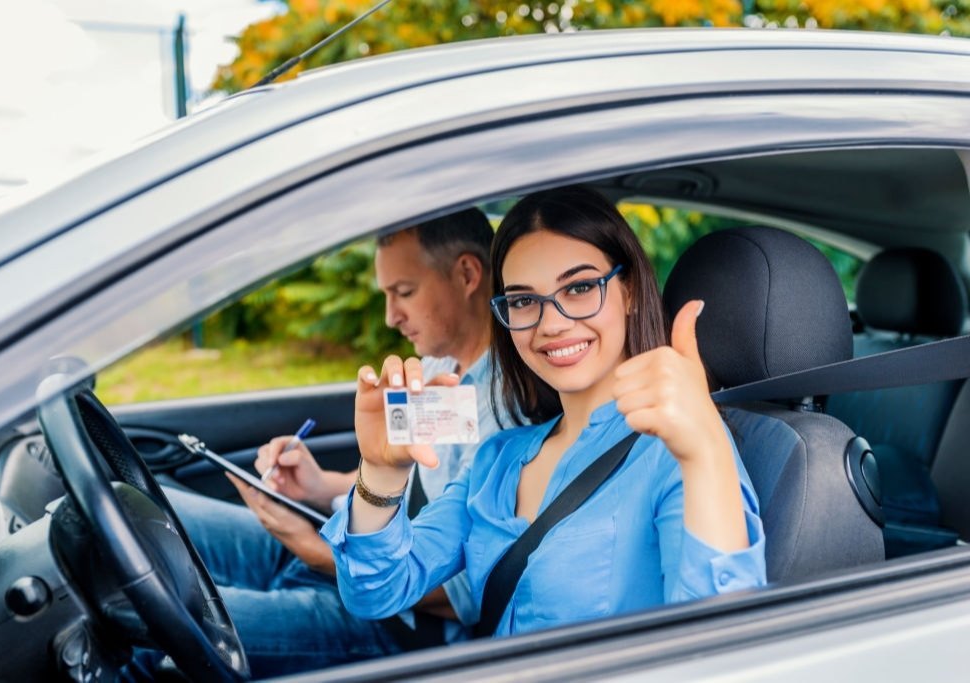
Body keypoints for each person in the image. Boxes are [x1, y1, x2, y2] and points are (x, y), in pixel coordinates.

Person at [323, 187, 767, 636]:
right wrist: (380, 471)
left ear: (628, 290)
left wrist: (705, 449)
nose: (550, 323)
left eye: (578, 288)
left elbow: (720, 649)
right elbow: (375, 592)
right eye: (522, 300)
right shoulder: (497, 460)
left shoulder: (682, 451)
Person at [125, 208, 503, 679]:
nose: (390, 317)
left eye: (404, 292)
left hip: (397, 624)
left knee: (145, 636)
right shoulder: (434, 370)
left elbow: (462, 594)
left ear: (467, 274)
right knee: (145, 515)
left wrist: (311, 550)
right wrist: (319, 486)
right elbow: (404, 486)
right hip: (344, 548)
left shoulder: (504, 413)